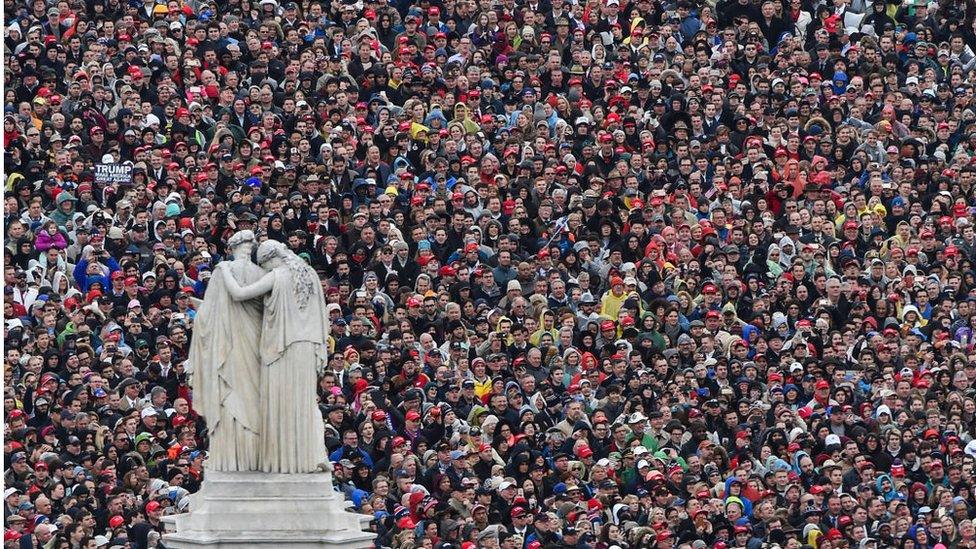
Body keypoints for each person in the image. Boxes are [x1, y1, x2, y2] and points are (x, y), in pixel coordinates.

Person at [220, 239, 330, 474]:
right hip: (308, 348)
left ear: (269, 259)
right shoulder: (310, 274)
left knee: (281, 404)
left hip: (283, 349)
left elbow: (240, 294)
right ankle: (315, 454)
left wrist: (225, 270)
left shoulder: (278, 275)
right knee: (307, 403)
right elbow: (323, 317)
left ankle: (284, 461)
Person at [188, 230, 264, 472]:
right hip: (255, 341)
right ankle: (253, 454)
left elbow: (207, 313)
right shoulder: (263, 273)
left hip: (230, 343)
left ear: (233, 248)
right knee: (251, 393)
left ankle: (232, 455)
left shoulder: (223, 271)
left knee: (232, 394)